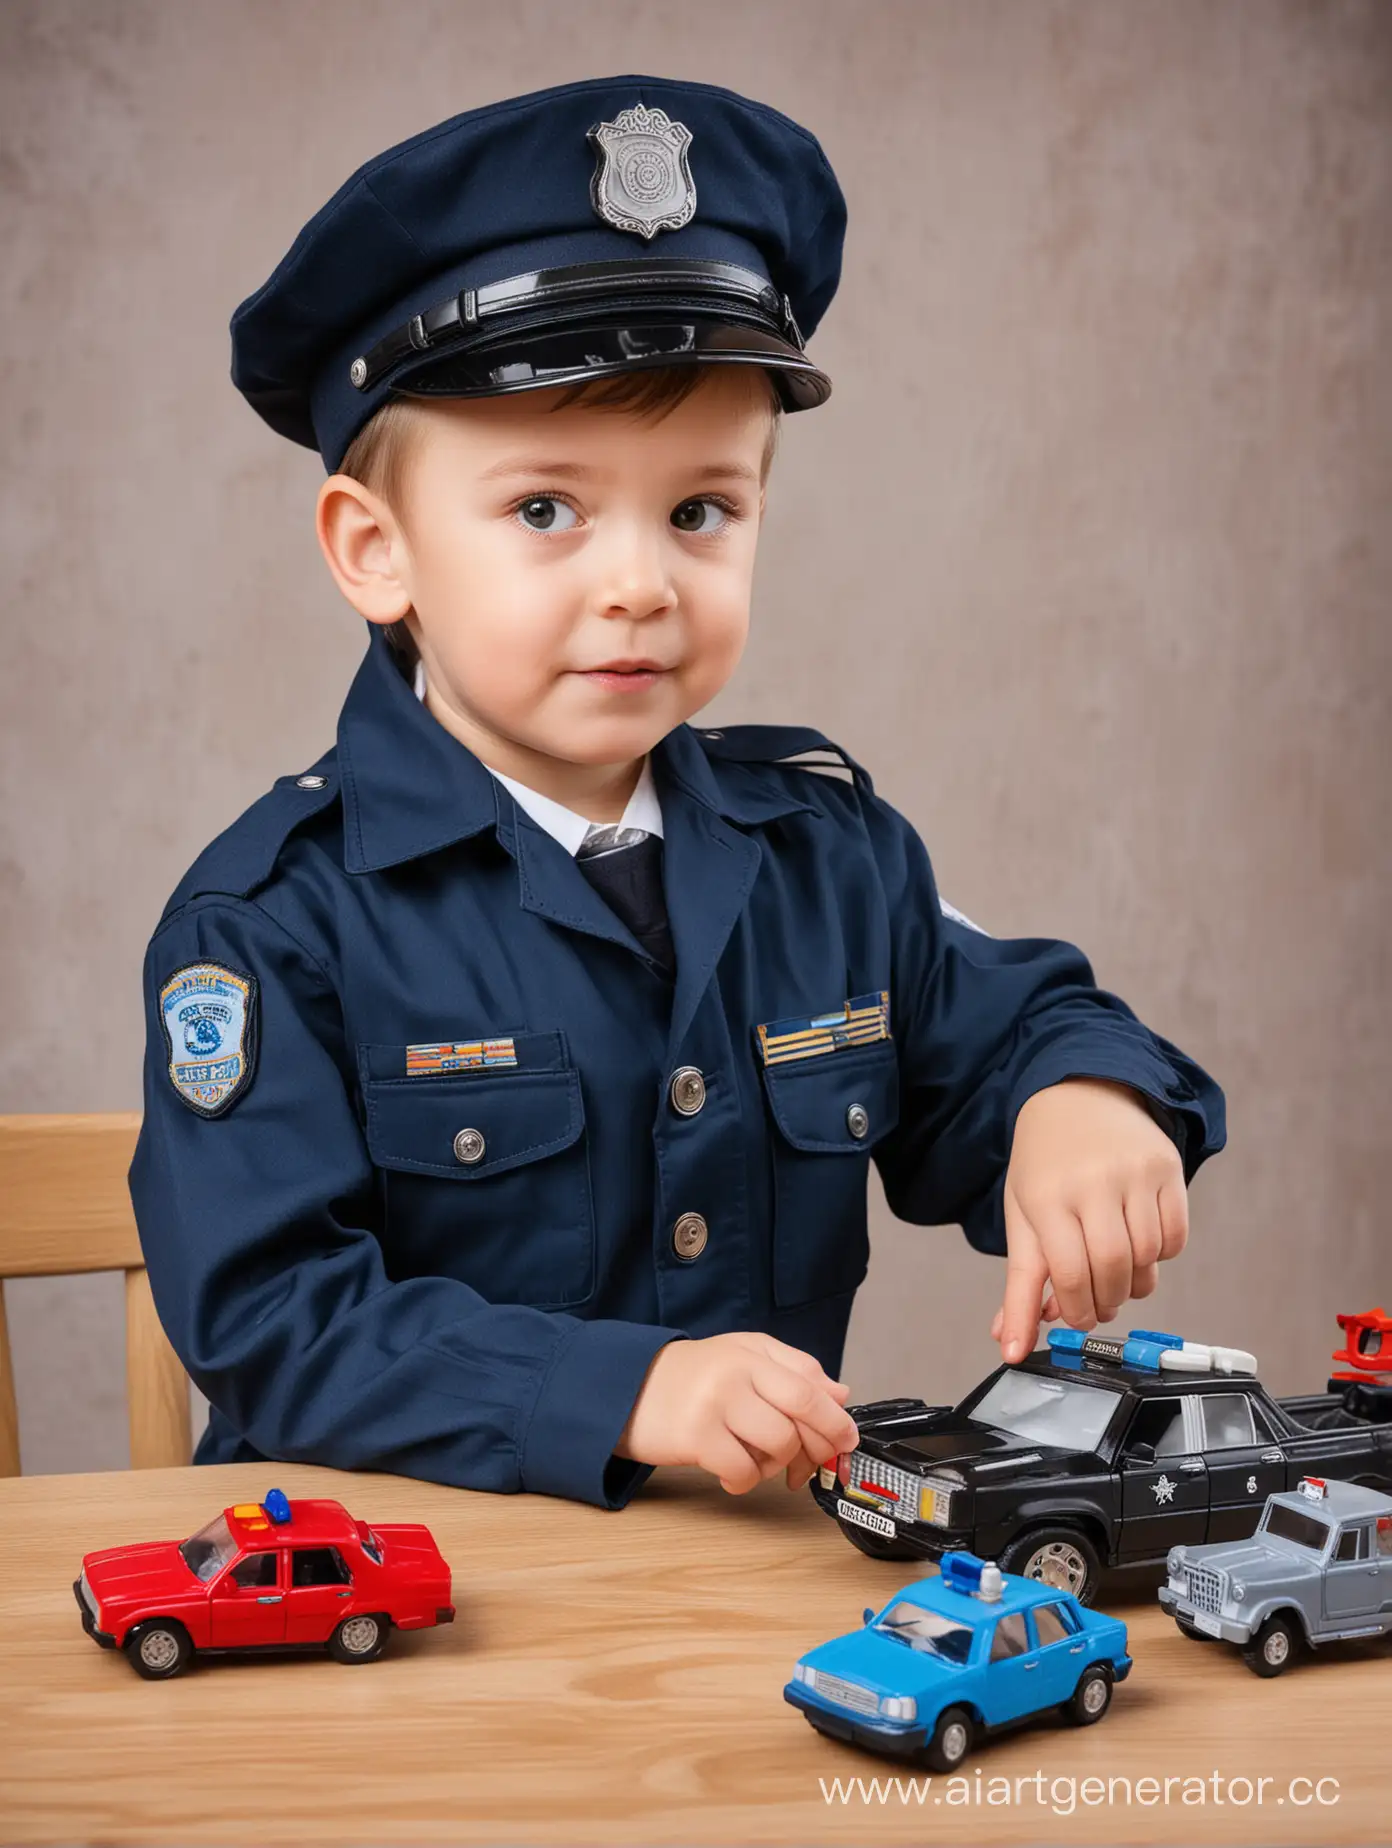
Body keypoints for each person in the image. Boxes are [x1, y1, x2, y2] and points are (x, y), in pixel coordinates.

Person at [129, 74, 1226, 1509]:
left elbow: (1014, 1021)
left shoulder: (826, 855)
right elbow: (273, 1323)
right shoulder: (271, 921)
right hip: (400, 1635)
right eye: (545, 511)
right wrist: (619, 1387)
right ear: (372, 550)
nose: (642, 581)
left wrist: (1080, 1095)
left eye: (700, 509)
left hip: (737, 1625)